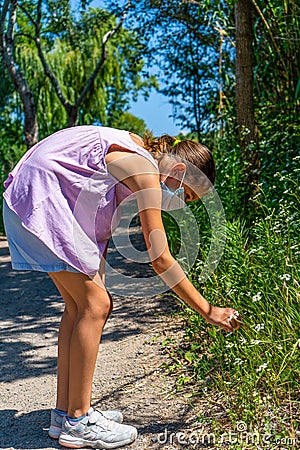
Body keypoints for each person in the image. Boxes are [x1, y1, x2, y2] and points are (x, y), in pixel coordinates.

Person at [2, 126, 240, 449]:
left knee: (79, 308)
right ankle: (79, 420)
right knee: (96, 305)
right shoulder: (145, 171)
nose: (181, 203)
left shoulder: (136, 155)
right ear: (180, 171)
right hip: (38, 196)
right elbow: (161, 259)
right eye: (185, 195)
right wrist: (209, 310)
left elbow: (92, 206)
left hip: (29, 196)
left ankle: (64, 414)